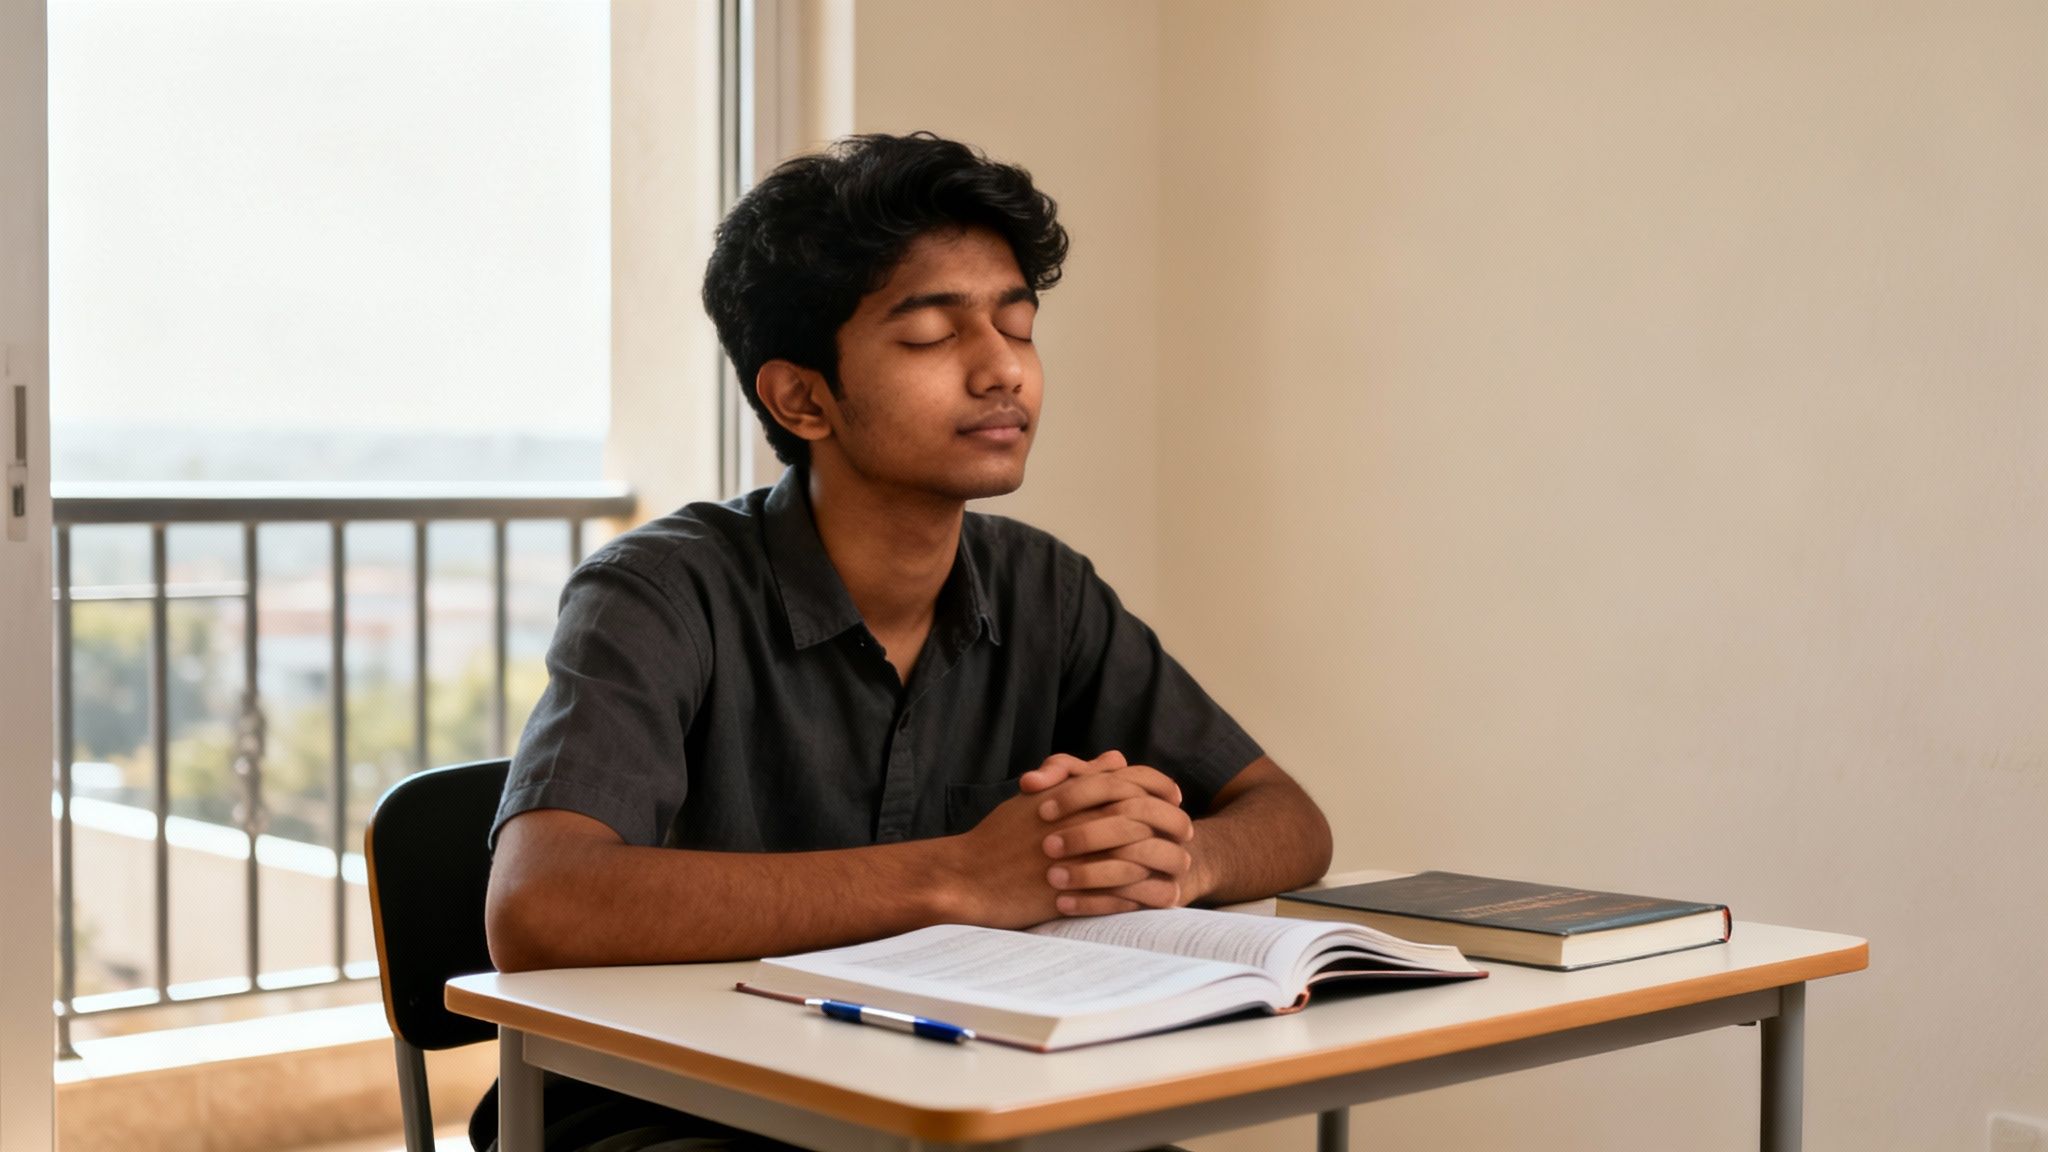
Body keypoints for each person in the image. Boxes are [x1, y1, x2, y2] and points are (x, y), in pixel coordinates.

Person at [477, 132, 1333, 1152]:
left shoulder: (1042, 586)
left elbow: (1289, 820)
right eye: (931, 336)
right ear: (802, 397)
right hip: (668, 1108)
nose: (1000, 369)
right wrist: (958, 879)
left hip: (946, 1094)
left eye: (1016, 325)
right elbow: (540, 907)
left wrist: (1176, 858)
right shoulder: (662, 589)